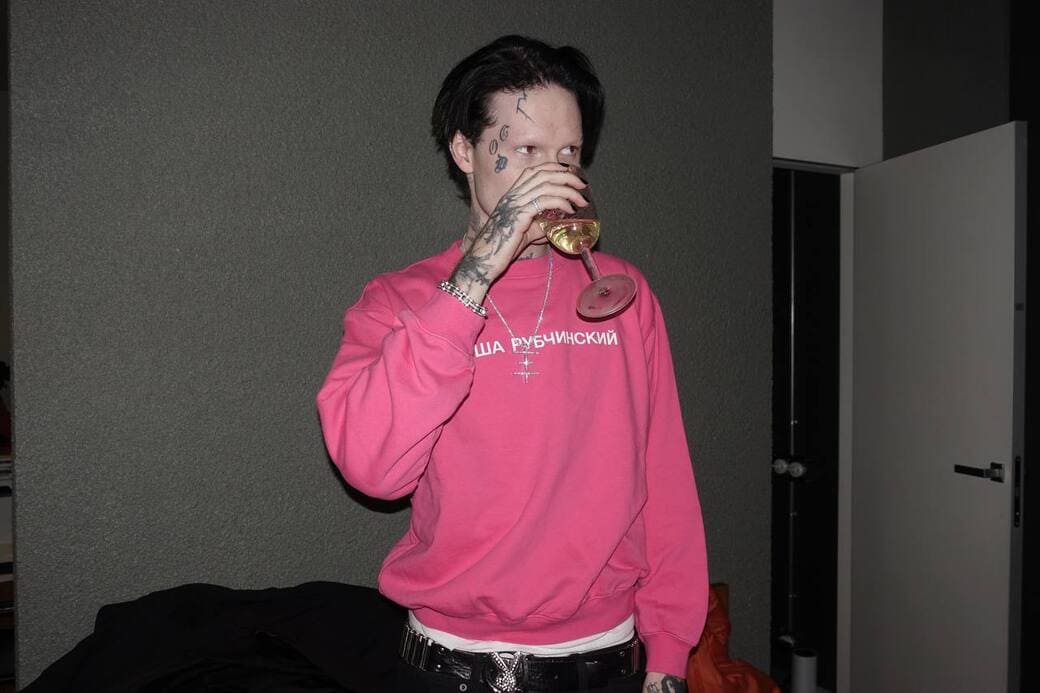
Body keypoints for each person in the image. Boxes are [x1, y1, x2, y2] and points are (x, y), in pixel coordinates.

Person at [317, 35, 708, 693]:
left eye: (568, 154)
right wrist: (477, 271)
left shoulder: (623, 295)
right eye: (526, 151)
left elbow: (664, 476)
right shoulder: (399, 300)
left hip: (606, 663)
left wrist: (668, 655)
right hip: (448, 667)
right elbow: (372, 470)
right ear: (464, 150)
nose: (553, 176)